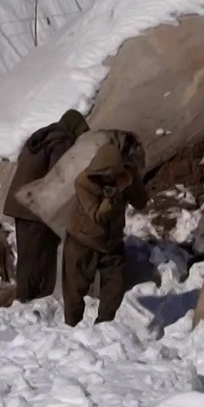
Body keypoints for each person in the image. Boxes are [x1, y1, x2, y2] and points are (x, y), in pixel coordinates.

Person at [63, 131, 147, 327]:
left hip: (112, 242)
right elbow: (98, 216)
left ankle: (104, 328)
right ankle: (71, 330)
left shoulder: (125, 176)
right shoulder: (84, 182)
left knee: (115, 287)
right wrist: (115, 191)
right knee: (75, 291)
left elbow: (141, 203)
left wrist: (132, 182)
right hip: (82, 241)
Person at [4, 109, 89, 303]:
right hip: (34, 208)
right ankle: (29, 300)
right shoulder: (62, 142)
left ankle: (27, 298)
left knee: (29, 255)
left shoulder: (43, 138)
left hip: (20, 203)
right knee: (38, 258)